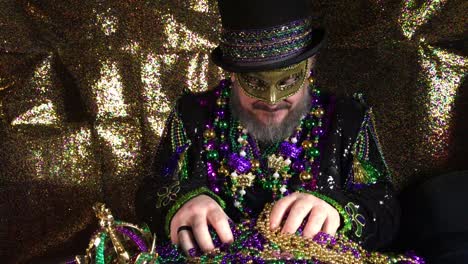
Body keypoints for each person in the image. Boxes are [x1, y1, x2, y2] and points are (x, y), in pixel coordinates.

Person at [136, 0, 400, 256]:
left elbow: (385, 206)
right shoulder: (193, 116)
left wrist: (338, 212)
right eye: (256, 83)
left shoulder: (346, 119)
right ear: (233, 75)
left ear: (310, 68)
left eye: (287, 81)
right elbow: (151, 191)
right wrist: (181, 203)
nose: (272, 101)